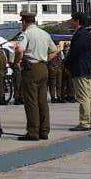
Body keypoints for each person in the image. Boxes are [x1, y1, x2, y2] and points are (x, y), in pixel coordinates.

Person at [12, 11, 55, 141]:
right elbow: (54, 51)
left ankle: (33, 132)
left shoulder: (26, 34)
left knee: (31, 101)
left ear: (24, 21)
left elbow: (19, 49)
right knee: (42, 101)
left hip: (31, 69)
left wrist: (16, 62)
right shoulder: (45, 34)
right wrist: (45, 60)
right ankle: (44, 131)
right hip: (43, 67)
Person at [63, 12, 91, 131]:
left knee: (83, 97)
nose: (71, 22)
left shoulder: (79, 34)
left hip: (80, 68)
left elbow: (73, 52)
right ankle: (90, 121)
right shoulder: (87, 34)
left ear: (77, 21)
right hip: (87, 68)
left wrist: (66, 64)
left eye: (72, 20)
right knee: (89, 96)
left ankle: (85, 122)